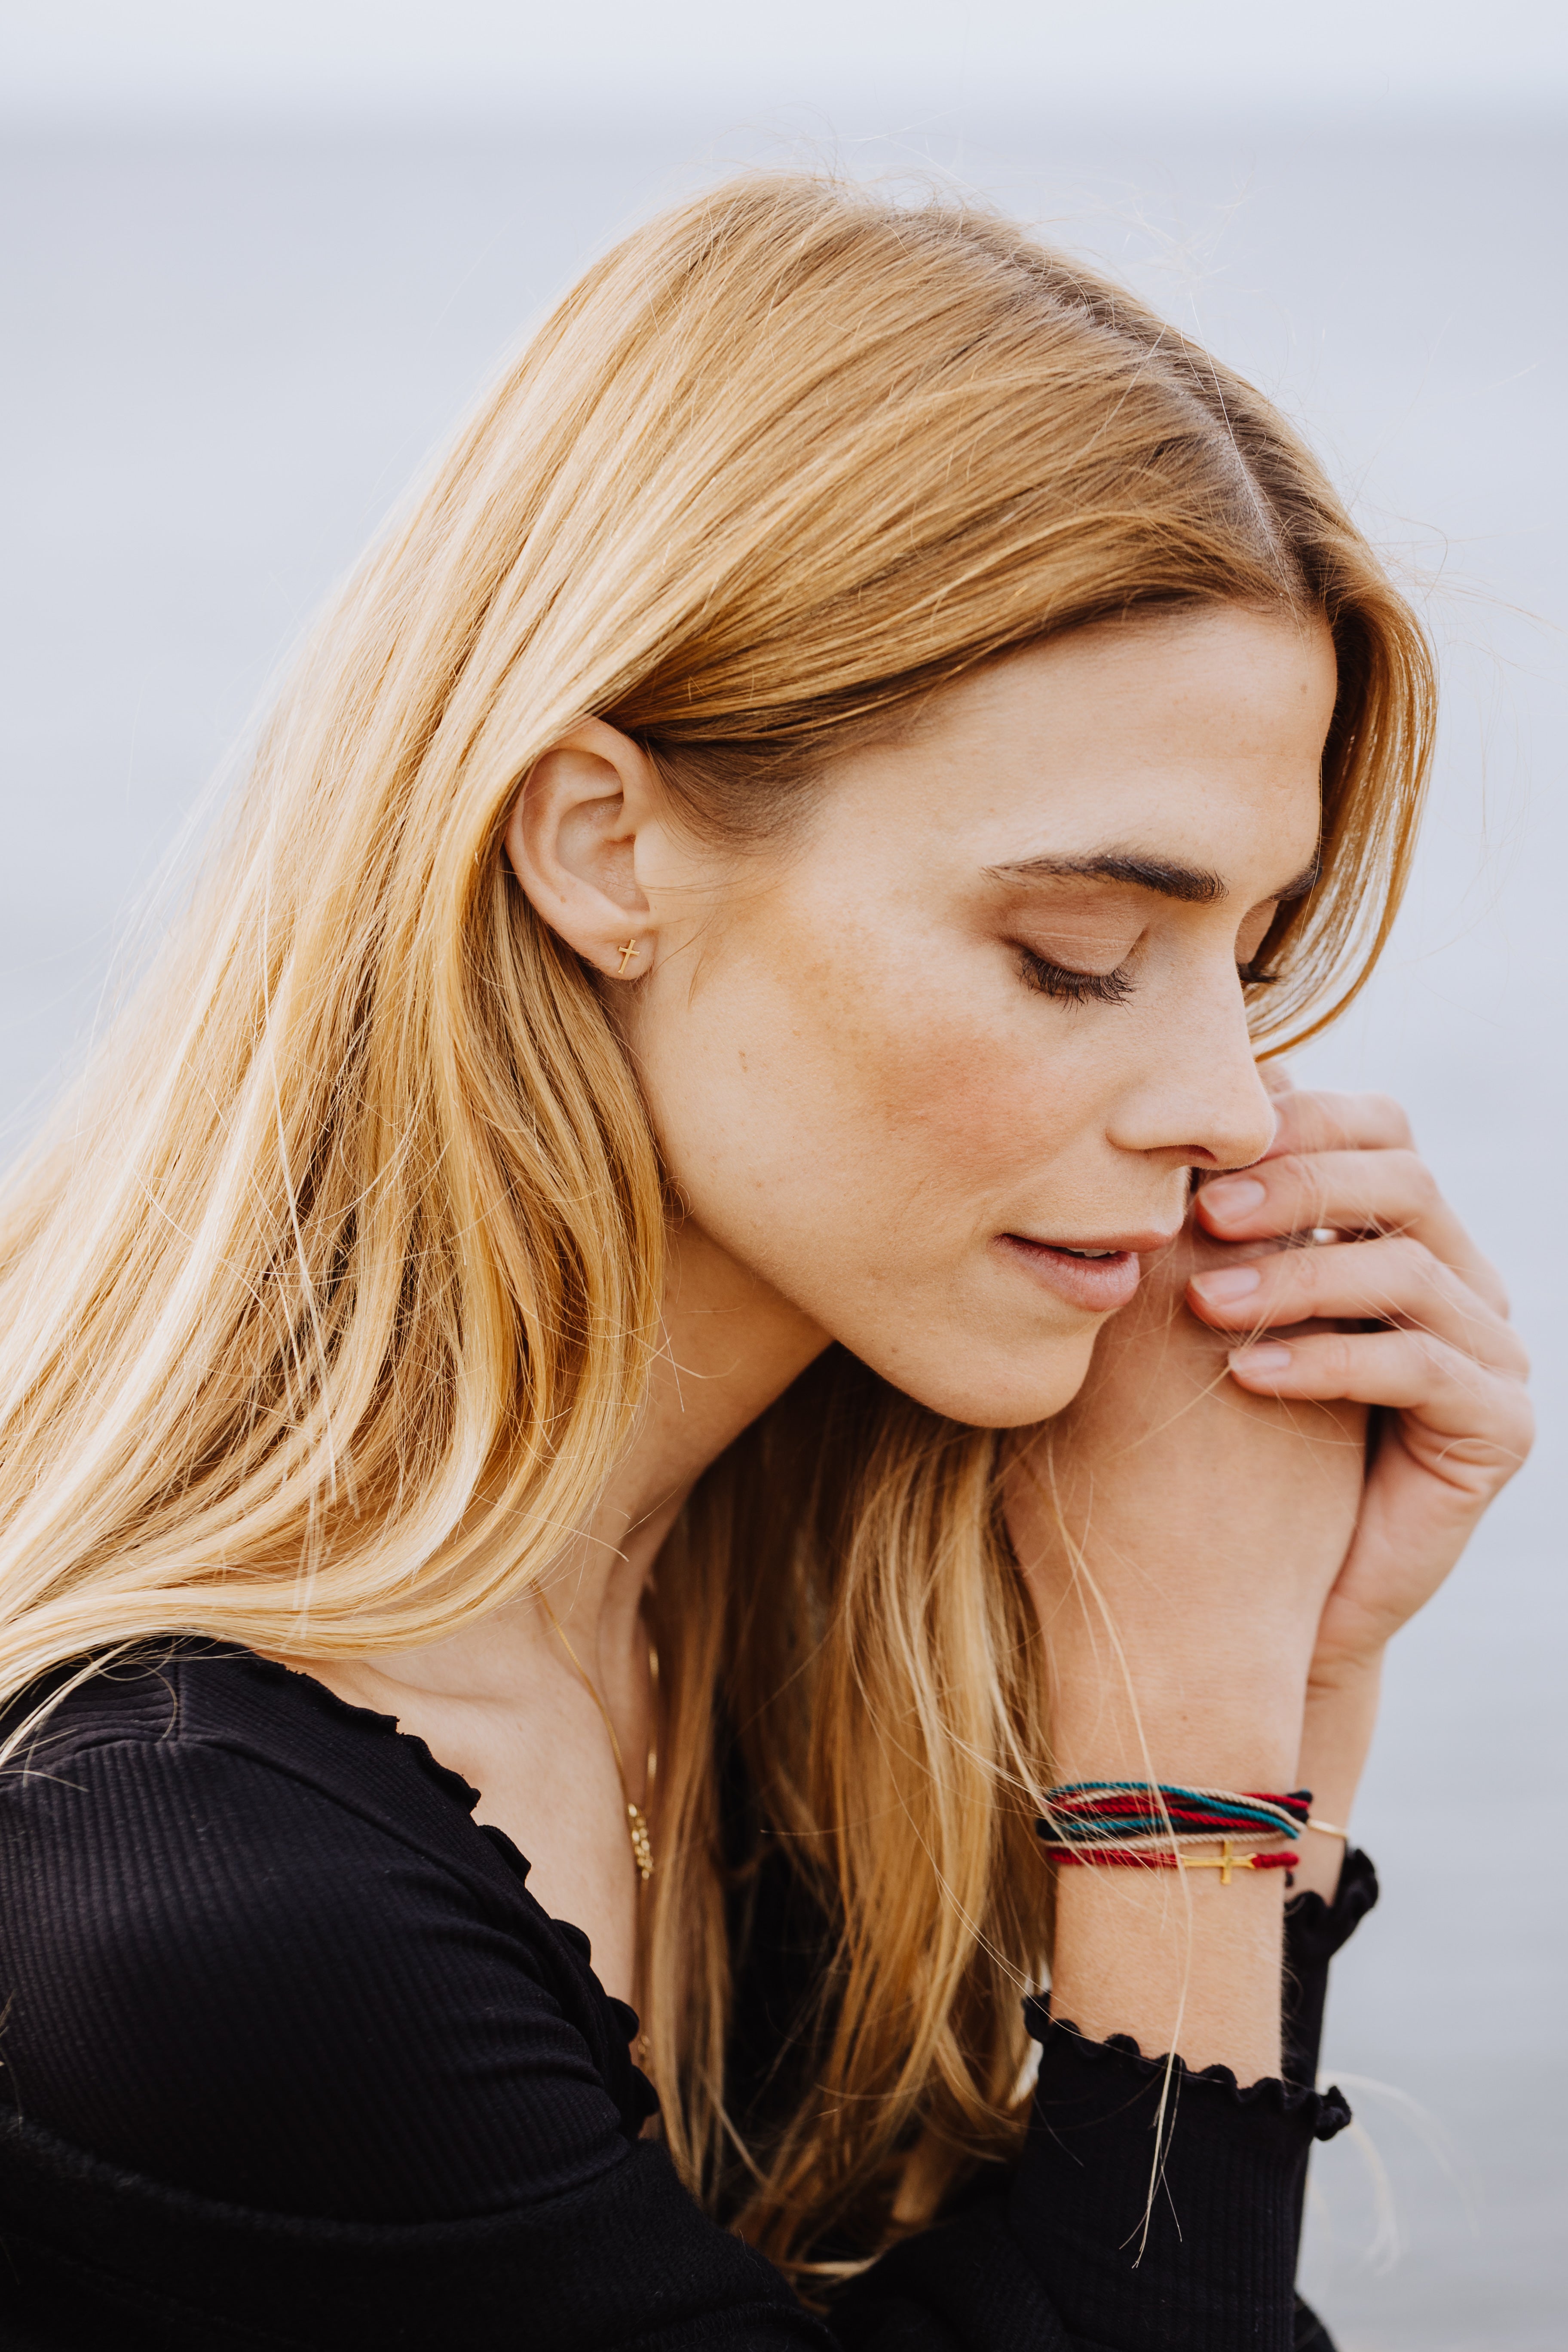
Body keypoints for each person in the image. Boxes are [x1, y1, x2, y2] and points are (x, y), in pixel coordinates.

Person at [0, 174, 1530, 2352]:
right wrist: (1186, 1743)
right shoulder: (197, 1888)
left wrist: (1302, 1687)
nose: (1229, 1105)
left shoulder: (757, 1617)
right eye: (1077, 950)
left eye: (1248, 959)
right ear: (604, 847)